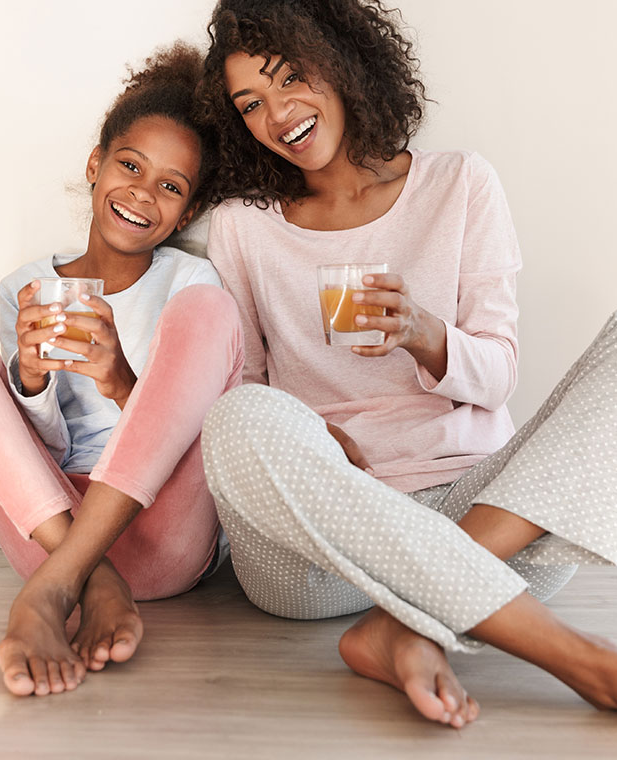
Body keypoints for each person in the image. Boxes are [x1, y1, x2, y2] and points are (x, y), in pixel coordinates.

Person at [197, 0, 617, 729]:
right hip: (319, 548)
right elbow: (248, 386)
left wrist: (425, 333)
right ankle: (568, 654)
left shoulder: (460, 185)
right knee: (235, 418)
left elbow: (498, 377)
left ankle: (401, 626)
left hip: (472, 508)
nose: (278, 113)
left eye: (290, 76)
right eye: (251, 103)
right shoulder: (242, 225)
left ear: (343, 58)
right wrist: (311, 441)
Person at [0, 41, 244, 697]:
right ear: (96, 164)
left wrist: (118, 379)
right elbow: (37, 451)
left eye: (170, 187)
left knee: (210, 312)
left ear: (189, 211)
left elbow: (180, 436)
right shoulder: (25, 287)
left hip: (161, 537)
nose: (143, 193)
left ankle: (59, 587)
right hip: (48, 529)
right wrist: (28, 383)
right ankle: (94, 580)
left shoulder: (189, 280)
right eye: (130, 166)